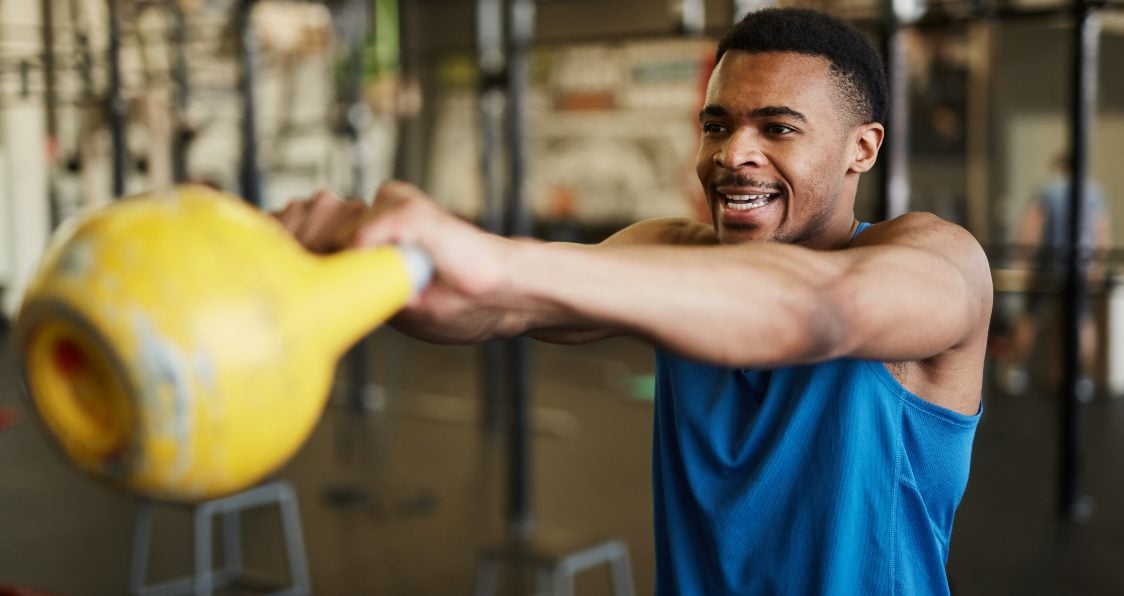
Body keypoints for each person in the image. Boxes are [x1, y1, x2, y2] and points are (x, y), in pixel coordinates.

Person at [279, 8, 992, 594]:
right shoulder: (676, 253)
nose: (732, 154)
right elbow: (494, 310)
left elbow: (821, 311)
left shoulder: (935, 262)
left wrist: (488, 257)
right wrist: (363, 263)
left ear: (861, 150)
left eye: (777, 129)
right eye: (717, 126)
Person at [999, 153, 1110, 396]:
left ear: (1061, 167)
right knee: (1083, 321)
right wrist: (1097, 265)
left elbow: (1032, 227)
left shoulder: (1048, 190)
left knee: (1029, 317)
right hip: (1081, 265)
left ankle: (1017, 371)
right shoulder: (1094, 192)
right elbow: (1101, 231)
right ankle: (1082, 379)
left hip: (1049, 265)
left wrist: (1022, 261)